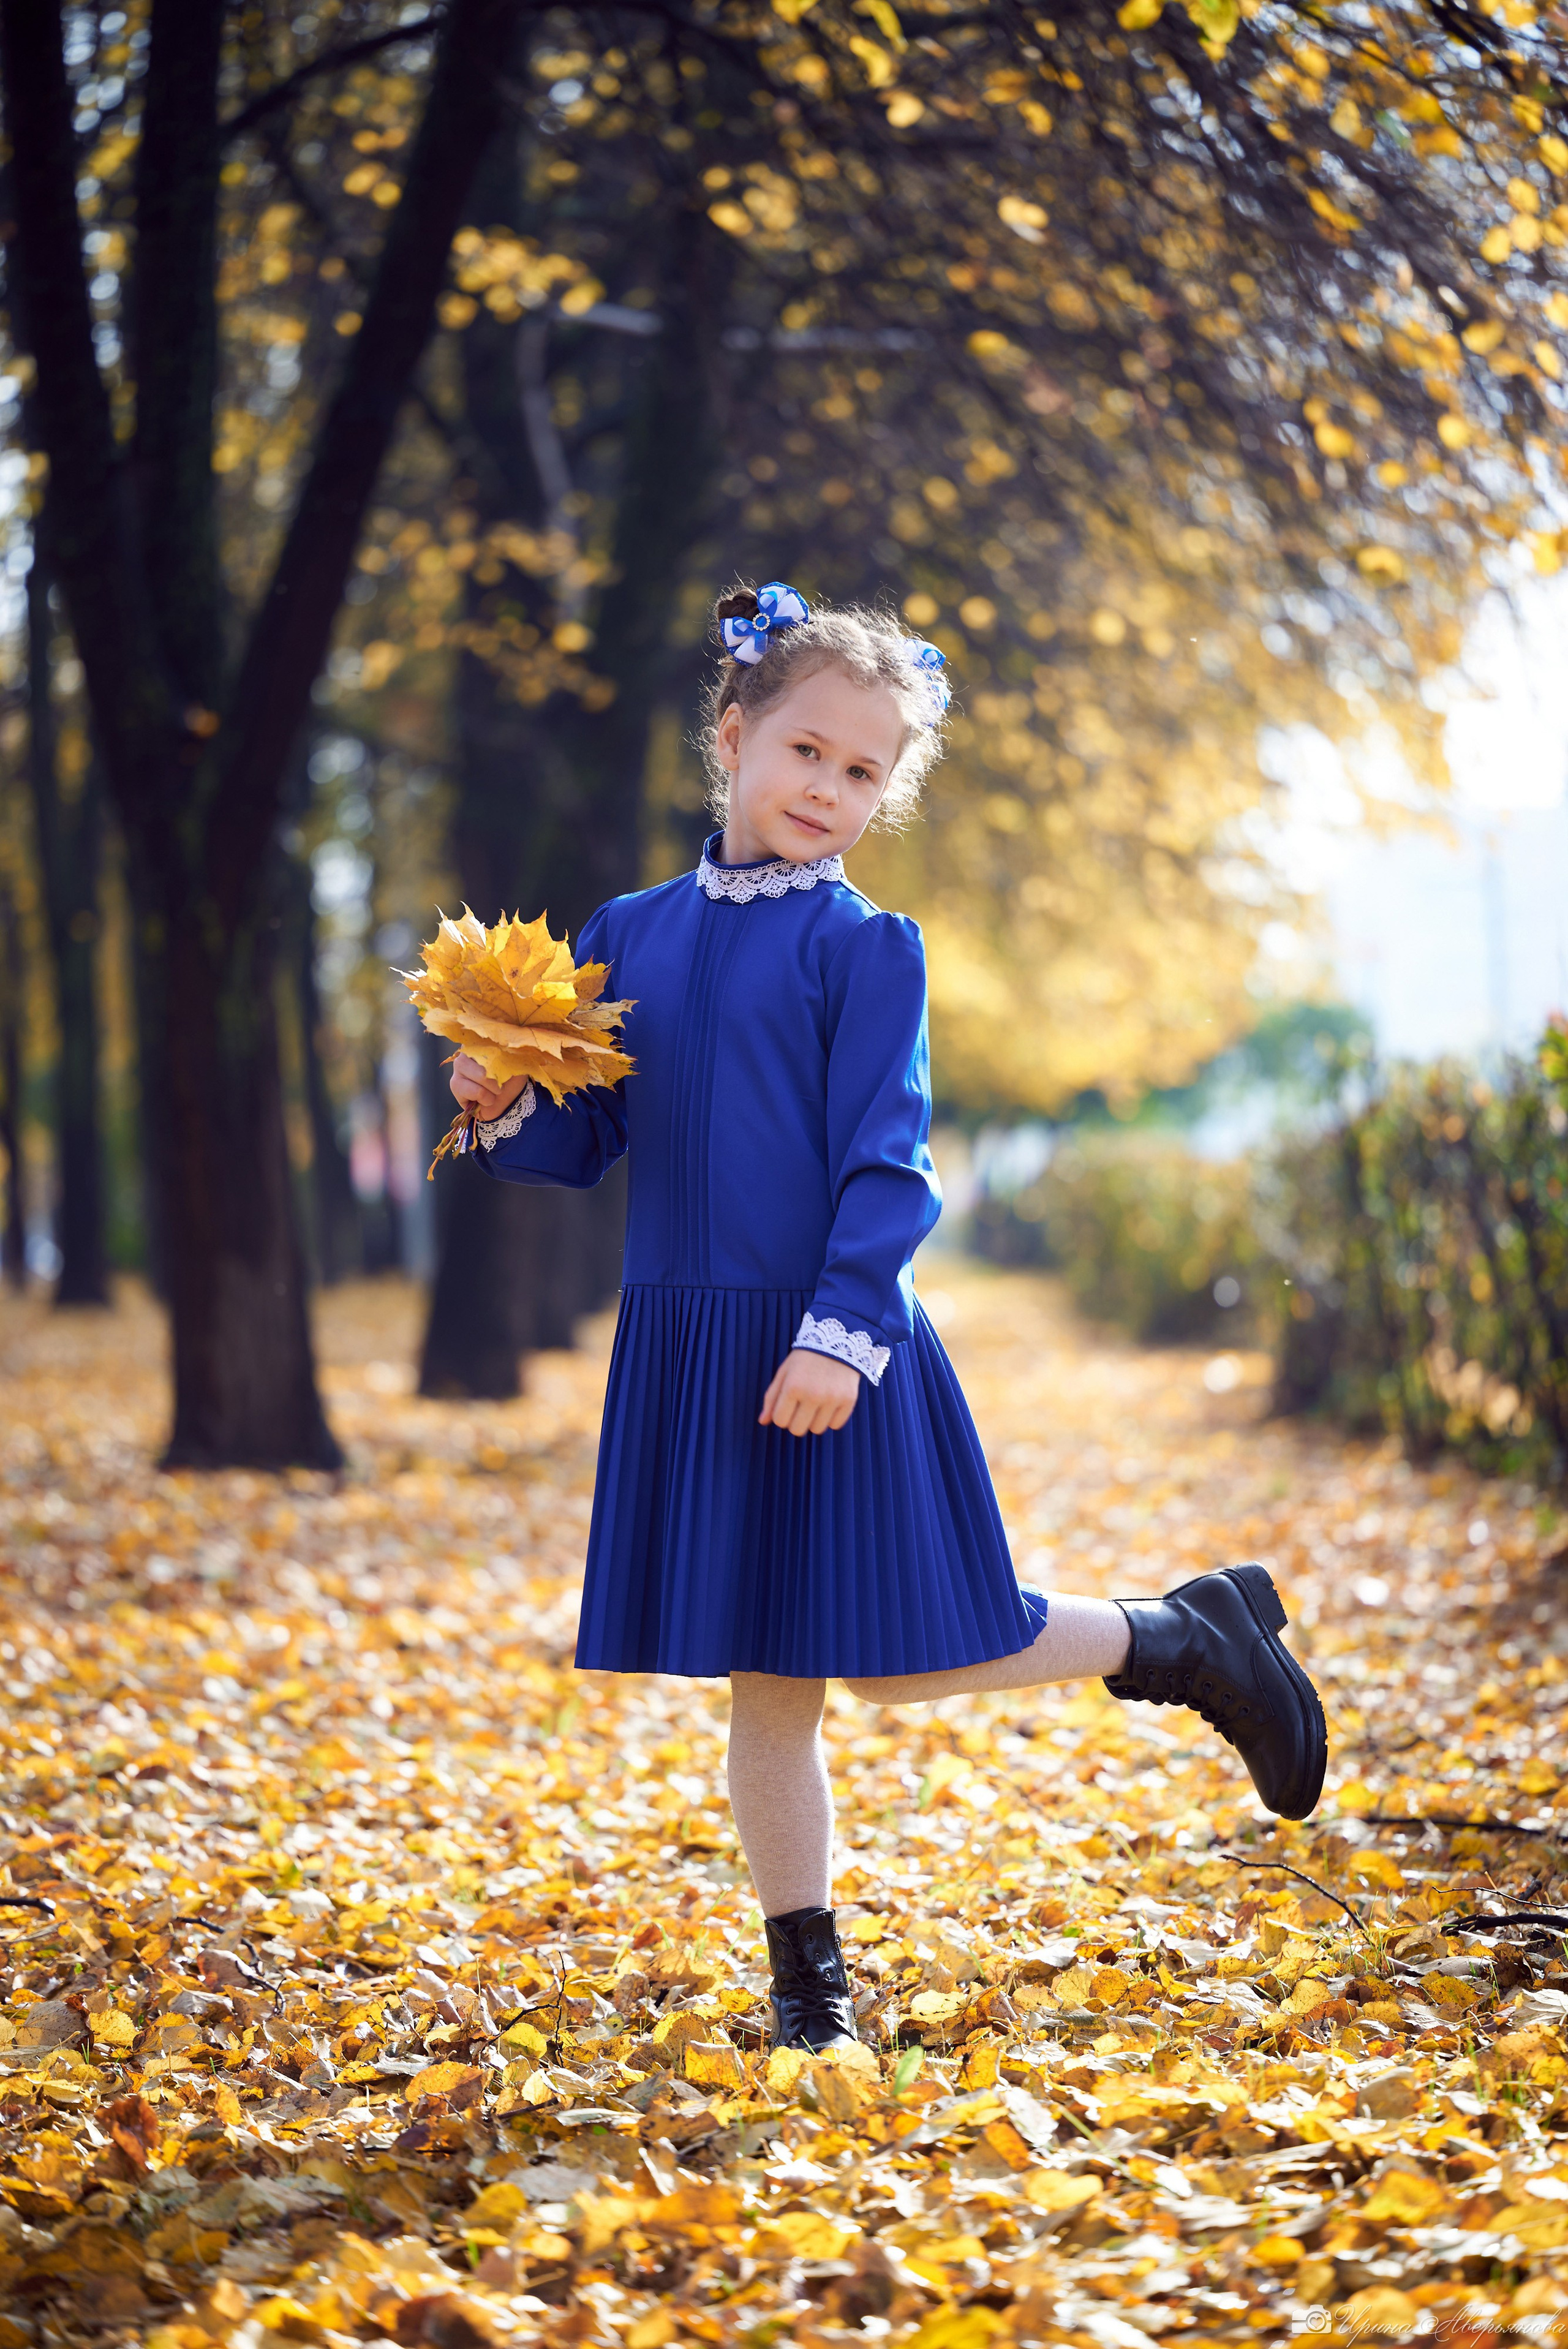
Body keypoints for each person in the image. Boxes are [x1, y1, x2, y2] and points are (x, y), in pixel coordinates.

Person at [449, 580, 1327, 2054]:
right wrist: (501, 1106)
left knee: (900, 1656)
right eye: (805, 750)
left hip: (827, 1344)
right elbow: (589, 1140)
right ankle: (810, 1991)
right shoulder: (626, 933)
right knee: (775, 1684)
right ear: (732, 734)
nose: (826, 788)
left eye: (861, 771)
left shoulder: (866, 948)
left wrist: (836, 1334)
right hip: (693, 1348)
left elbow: (887, 1162)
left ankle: (1180, 1638)